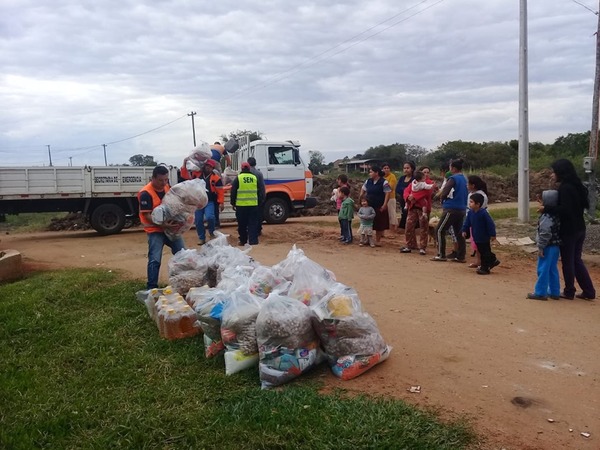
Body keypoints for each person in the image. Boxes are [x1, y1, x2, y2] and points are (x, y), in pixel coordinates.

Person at [539, 159, 596, 300]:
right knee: (576, 260)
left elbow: (565, 210)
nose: (552, 175)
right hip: (580, 228)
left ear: (561, 173)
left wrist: (546, 209)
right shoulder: (577, 186)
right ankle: (589, 291)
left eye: (554, 172)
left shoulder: (565, 188)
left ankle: (569, 291)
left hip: (569, 230)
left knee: (568, 262)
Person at [138, 165, 185, 289]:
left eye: (166, 180)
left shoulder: (166, 187)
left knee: (182, 254)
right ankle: (151, 287)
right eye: (160, 180)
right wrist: (162, 224)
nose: (163, 183)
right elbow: (147, 215)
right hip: (155, 231)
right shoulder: (145, 193)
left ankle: (184, 282)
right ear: (153, 178)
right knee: (155, 259)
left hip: (170, 229)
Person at [432, 158, 468, 262]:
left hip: (451, 208)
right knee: (459, 232)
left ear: (453, 168)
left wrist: (441, 198)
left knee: (439, 230)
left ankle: (441, 254)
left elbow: (445, 191)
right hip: (461, 208)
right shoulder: (464, 178)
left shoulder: (453, 179)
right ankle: (461, 256)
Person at [527, 190, 561, 301]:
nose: (538, 202)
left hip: (547, 246)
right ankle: (555, 291)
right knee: (552, 269)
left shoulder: (546, 216)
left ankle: (540, 292)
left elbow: (545, 233)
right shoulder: (557, 214)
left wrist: (541, 246)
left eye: (540, 200)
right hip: (556, 246)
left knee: (542, 269)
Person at [461, 193, 499, 275]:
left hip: (484, 237)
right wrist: (464, 230)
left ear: (478, 204)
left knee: (485, 252)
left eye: (471, 202)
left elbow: (490, 224)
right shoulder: (471, 213)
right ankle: (493, 260)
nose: (469, 204)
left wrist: (493, 234)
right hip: (476, 236)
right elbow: (467, 222)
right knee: (483, 251)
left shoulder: (484, 213)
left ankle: (485, 267)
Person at [190, 159, 224, 245]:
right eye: (207, 166)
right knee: (198, 220)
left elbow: (220, 191)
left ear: (212, 168)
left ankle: (212, 233)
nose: (208, 167)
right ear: (204, 166)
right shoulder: (197, 175)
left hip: (210, 201)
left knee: (210, 217)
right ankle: (201, 238)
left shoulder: (216, 178)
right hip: (199, 202)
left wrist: (221, 202)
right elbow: (186, 176)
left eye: (210, 166)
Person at [231, 162, 264, 246]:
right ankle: (253, 241)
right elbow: (260, 191)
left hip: (241, 206)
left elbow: (233, 192)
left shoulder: (238, 178)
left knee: (242, 224)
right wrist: (259, 202)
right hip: (253, 205)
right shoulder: (254, 178)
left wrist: (233, 203)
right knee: (253, 224)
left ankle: (243, 241)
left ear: (242, 169)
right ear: (249, 169)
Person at [401, 171, 434, 255]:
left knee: (424, 227)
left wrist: (414, 196)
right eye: (424, 172)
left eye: (427, 172)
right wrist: (408, 197)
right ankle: (410, 245)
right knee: (409, 226)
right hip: (412, 207)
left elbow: (428, 192)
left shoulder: (429, 183)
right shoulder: (413, 183)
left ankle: (422, 247)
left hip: (424, 209)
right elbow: (406, 191)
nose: (426, 174)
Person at [360, 165, 391, 246]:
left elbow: (387, 193)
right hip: (369, 206)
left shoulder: (384, 182)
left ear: (376, 173)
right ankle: (367, 239)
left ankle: (378, 240)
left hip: (379, 205)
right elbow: (363, 189)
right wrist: (361, 199)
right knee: (367, 223)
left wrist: (384, 204)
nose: (369, 174)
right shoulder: (368, 181)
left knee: (379, 223)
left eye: (371, 172)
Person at [466, 175, 489, 268]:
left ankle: (482, 262)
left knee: (479, 242)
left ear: (473, 185)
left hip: (478, 221)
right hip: (473, 220)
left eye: (468, 184)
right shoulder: (473, 194)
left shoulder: (479, 195)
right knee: (476, 242)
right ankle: (479, 261)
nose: (467, 185)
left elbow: (476, 209)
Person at [395, 161, 416, 232]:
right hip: (402, 200)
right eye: (404, 168)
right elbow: (397, 188)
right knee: (403, 213)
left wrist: (405, 190)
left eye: (408, 168)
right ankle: (403, 228)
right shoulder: (402, 178)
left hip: (411, 201)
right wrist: (406, 190)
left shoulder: (414, 179)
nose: (406, 170)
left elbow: (413, 189)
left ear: (412, 169)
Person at [247, 156, 266, 236]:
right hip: (256, 197)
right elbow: (262, 187)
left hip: (245, 198)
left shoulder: (244, 173)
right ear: (255, 164)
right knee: (258, 215)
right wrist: (263, 197)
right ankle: (258, 230)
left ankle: (248, 230)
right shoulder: (259, 173)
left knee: (247, 215)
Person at [382, 163, 398, 236]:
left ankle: (393, 232)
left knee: (392, 214)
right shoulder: (381, 177)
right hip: (382, 198)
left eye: (387, 168)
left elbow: (390, 187)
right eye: (384, 168)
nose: (386, 169)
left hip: (391, 198)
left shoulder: (392, 176)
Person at [334, 174, 350, 241]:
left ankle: (347, 236)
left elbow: (339, 197)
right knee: (341, 223)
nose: (337, 181)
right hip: (339, 208)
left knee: (345, 224)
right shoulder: (341, 188)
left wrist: (337, 191)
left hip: (343, 208)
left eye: (338, 179)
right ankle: (343, 235)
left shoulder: (344, 188)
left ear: (340, 180)